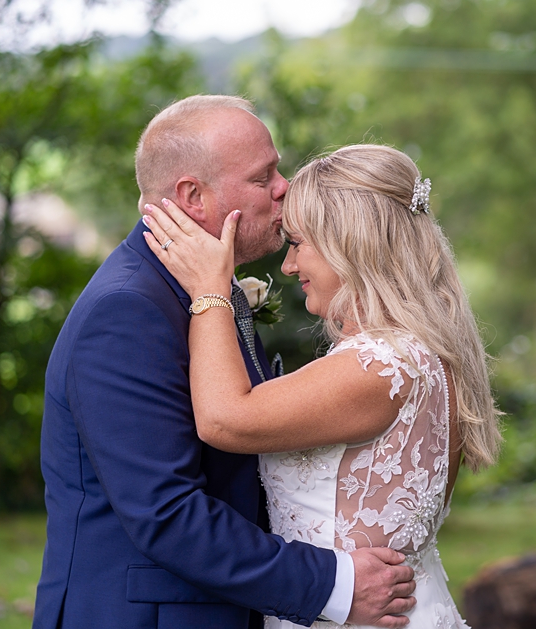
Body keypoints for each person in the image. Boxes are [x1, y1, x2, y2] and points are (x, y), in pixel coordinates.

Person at [34, 96, 417, 629]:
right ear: (193, 197)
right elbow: (166, 513)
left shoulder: (207, 290)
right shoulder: (127, 310)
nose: (285, 187)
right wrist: (333, 584)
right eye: (264, 178)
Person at [141, 143, 503, 628]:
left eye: (298, 243)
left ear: (349, 243)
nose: (288, 267)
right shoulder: (423, 352)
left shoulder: (381, 363)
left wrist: (210, 290)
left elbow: (225, 419)